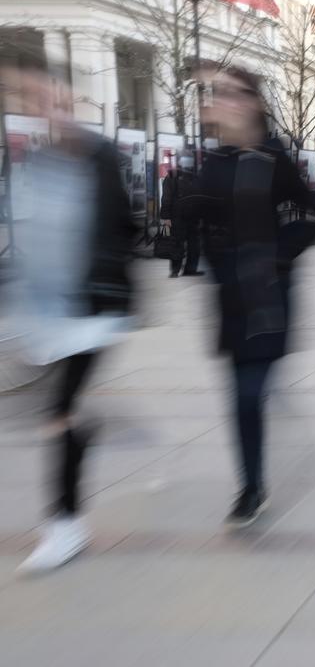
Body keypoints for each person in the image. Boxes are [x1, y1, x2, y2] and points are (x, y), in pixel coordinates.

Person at [13, 67, 136, 574]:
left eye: (56, 101)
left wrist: (104, 282)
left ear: (70, 104)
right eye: (38, 101)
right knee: (55, 412)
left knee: (54, 412)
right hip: (47, 310)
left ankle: (64, 527)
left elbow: (125, 226)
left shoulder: (99, 155)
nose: (50, 110)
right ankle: (83, 434)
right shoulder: (36, 158)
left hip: (93, 308)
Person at [188, 66, 315, 528]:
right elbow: (203, 218)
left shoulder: (274, 158)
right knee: (240, 395)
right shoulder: (215, 161)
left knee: (248, 392)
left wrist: (279, 259)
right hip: (230, 296)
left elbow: (311, 214)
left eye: (227, 94)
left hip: (267, 294)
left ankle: (250, 487)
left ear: (251, 103)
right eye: (216, 94)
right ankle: (252, 482)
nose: (219, 101)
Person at [160, 154, 204, 277]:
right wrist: (166, 217)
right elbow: (167, 198)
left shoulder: (193, 176)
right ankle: (177, 270)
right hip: (179, 216)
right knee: (180, 243)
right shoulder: (175, 177)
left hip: (189, 216)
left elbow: (200, 196)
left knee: (190, 245)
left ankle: (186, 269)